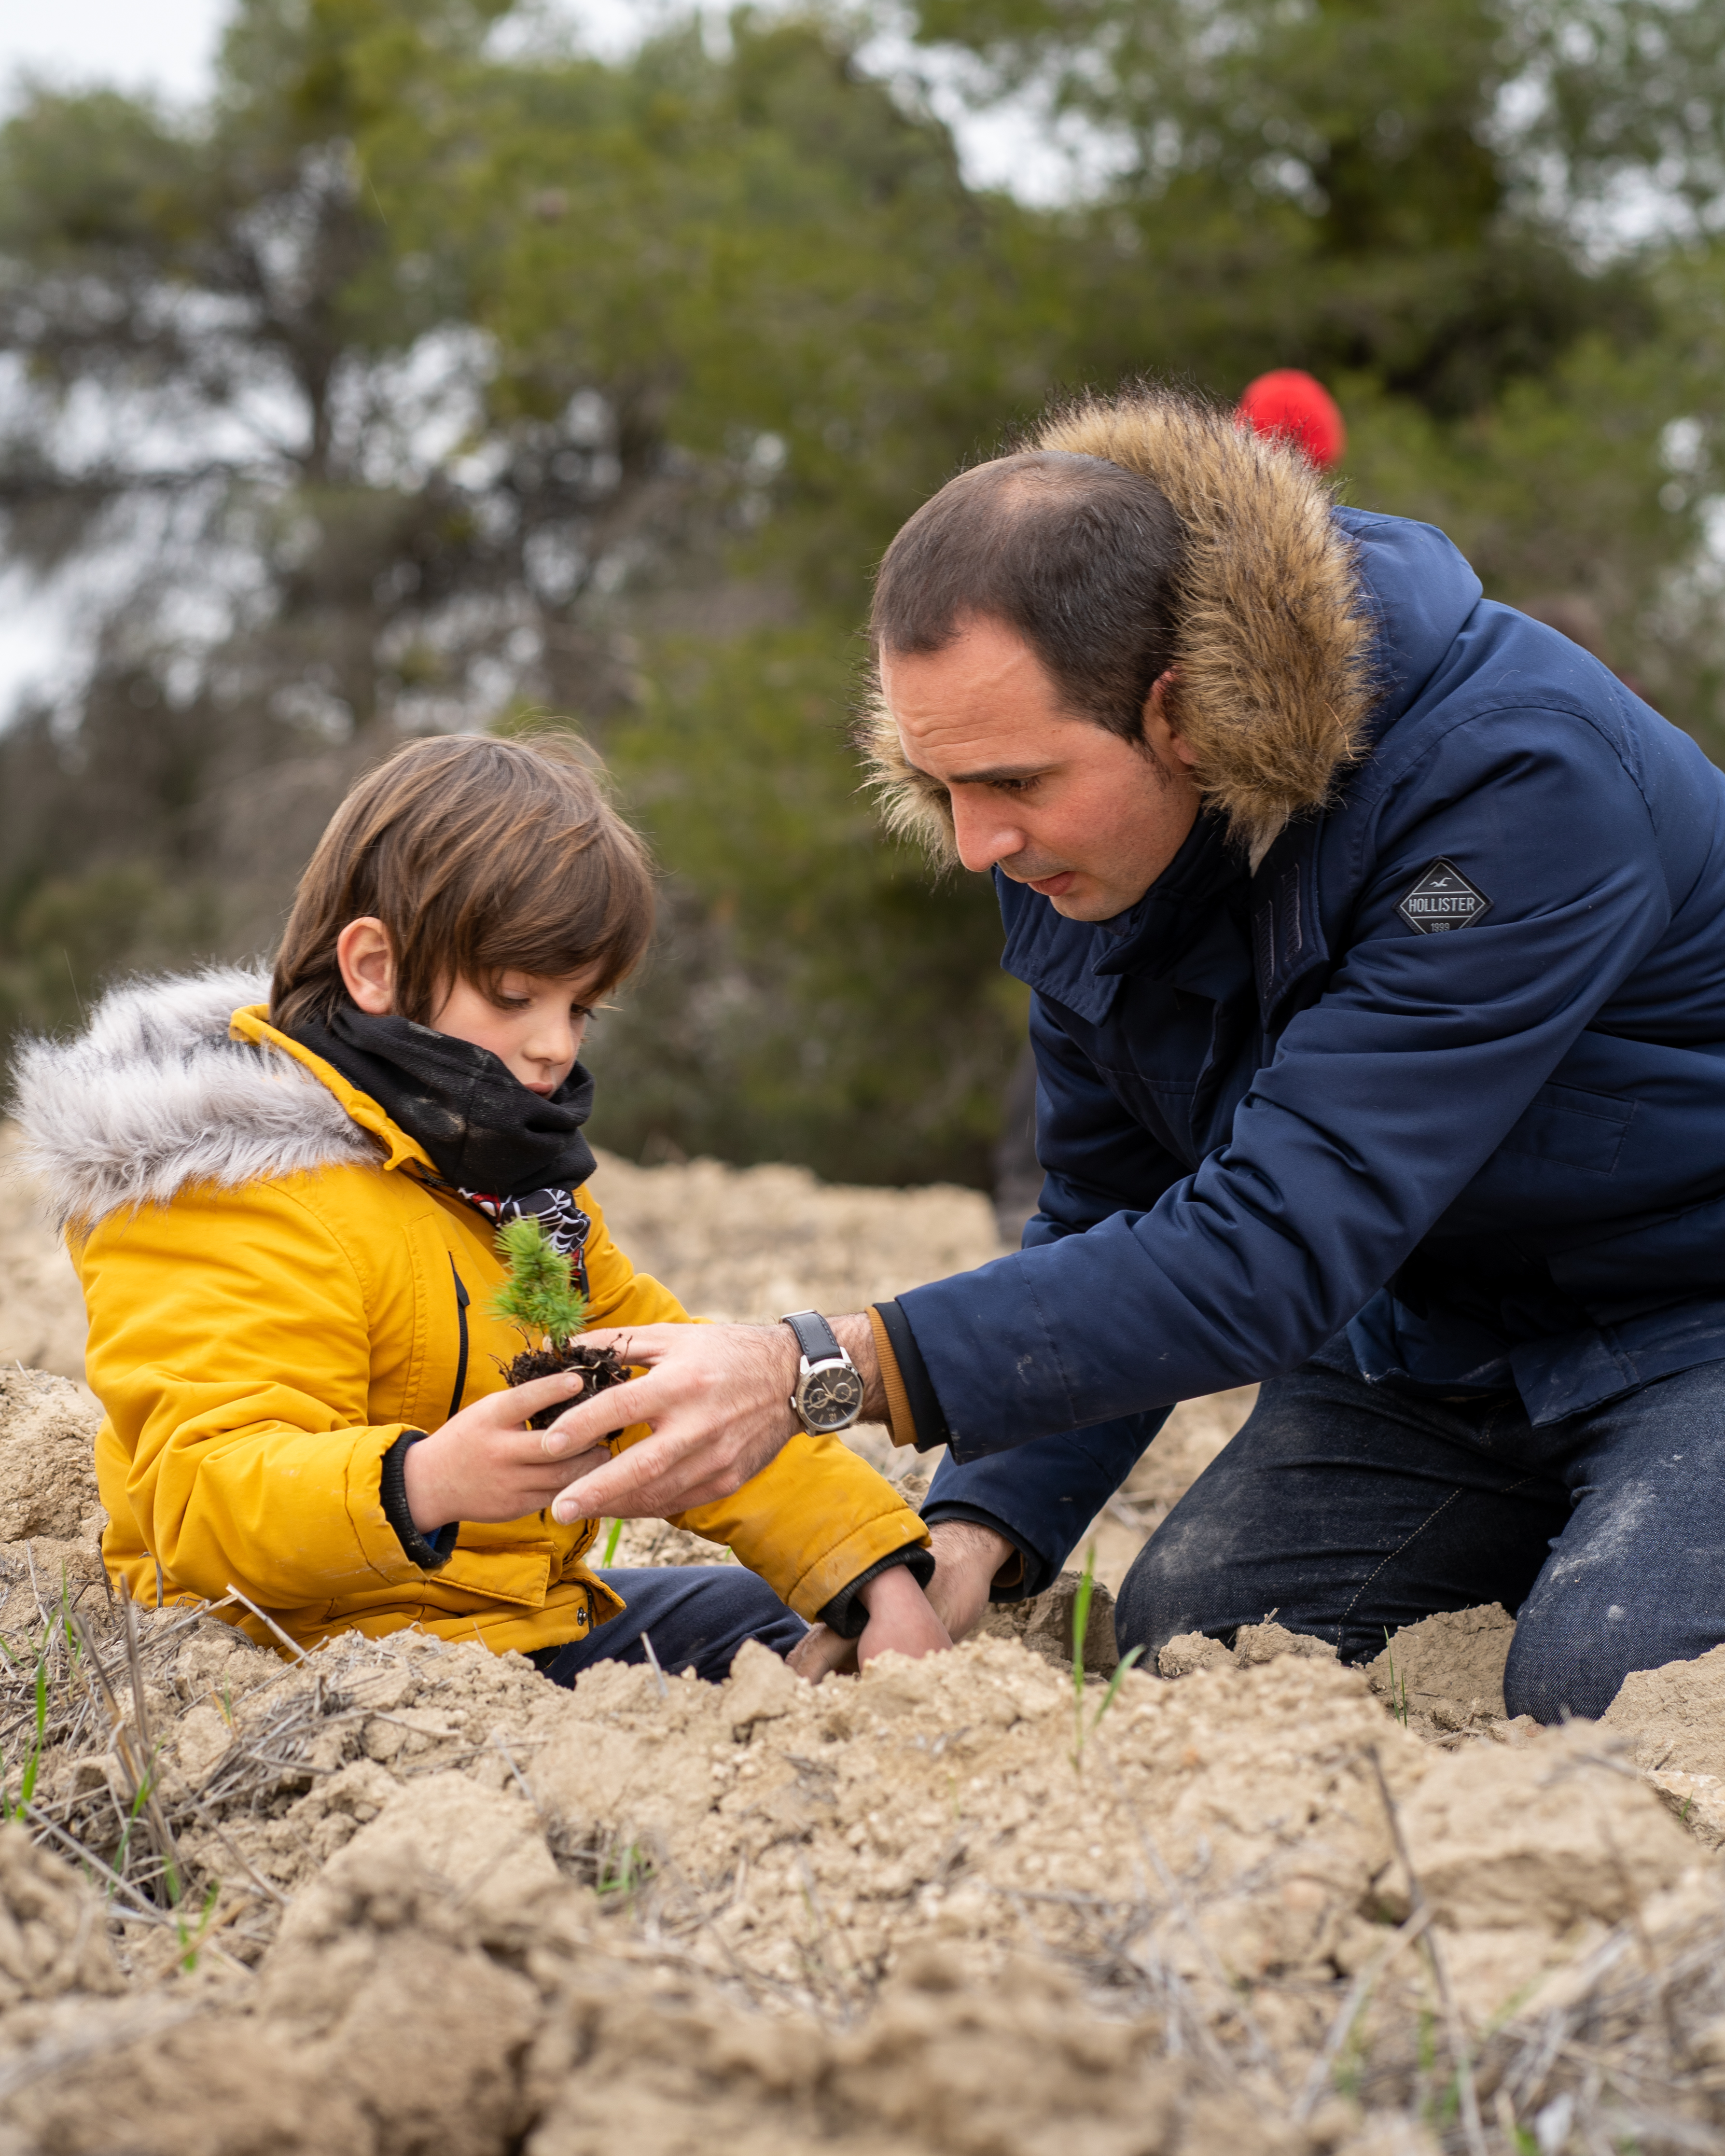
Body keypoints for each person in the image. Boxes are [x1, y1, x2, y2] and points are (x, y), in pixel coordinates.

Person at [545, 382, 1725, 1723]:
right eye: (939, 787)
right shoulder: (1056, 839)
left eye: (1012, 783)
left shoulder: (1517, 780)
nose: (974, 841)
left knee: (1626, 1687)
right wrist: (978, 1529)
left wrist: (820, 1361)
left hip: (1687, 1305)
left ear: (1180, 714)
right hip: (1438, 1336)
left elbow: (1272, 1244)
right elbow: (1109, 1206)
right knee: (1197, 1641)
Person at [13, 734, 947, 1681]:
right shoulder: (221, 1187)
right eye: (514, 995)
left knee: (803, 1618)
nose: (553, 1045)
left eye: (581, 1008)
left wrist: (868, 1563)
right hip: (310, 1668)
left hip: (512, 1626)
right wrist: (418, 1483)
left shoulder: (511, 1180)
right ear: (373, 966)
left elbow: (672, 1383)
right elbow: (198, 1500)